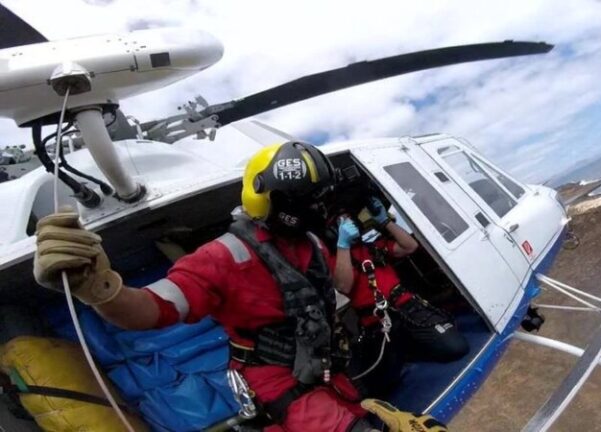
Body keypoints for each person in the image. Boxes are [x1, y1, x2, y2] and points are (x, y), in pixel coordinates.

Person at [33, 141, 446, 432]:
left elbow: (341, 284)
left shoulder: (313, 245)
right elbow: (151, 308)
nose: (312, 209)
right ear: (269, 198)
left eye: (316, 200)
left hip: (328, 372)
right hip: (279, 387)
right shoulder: (222, 257)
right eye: (301, 200)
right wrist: (98, 286)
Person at [333, 197, 469, 398]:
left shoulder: (374, 246)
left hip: (408, 309)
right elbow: (343, 285)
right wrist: (342, 245)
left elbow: (409, 246)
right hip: (377, 324)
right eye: (341, 222)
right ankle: (405, 350)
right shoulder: (334, 259)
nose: (348, 224)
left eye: (349, 219)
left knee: (456, 348)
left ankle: (410, 347)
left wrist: (385, 221)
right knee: (378, 386)